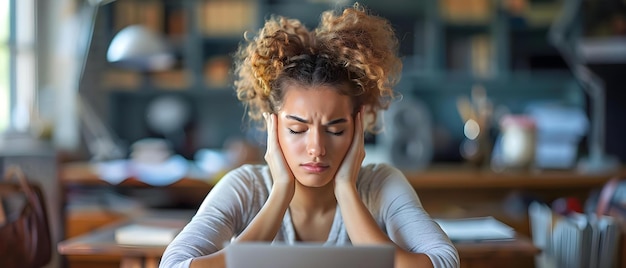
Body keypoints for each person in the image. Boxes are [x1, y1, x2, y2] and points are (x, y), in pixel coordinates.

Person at [160, 3, 459, 268]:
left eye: (336, 129)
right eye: (297, 129)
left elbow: (443, 262)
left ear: (359, 124)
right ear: (272, 126)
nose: (316, 148)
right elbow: (175, 265)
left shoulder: (380, 185)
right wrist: (280, 192)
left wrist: (346, 190)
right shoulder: (246, 188)